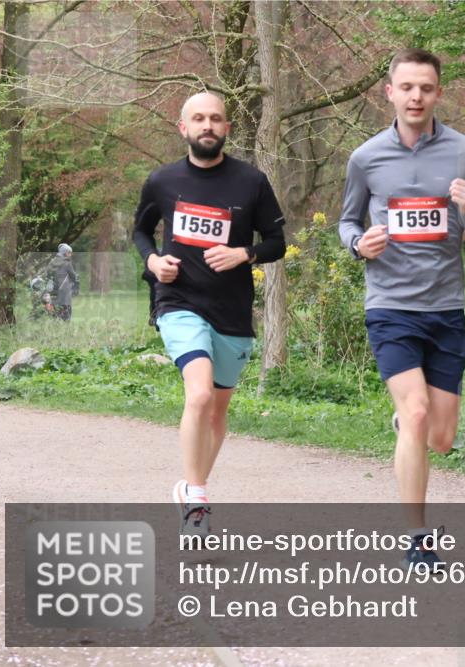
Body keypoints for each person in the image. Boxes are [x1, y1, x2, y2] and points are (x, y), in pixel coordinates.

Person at [338, 48, 465, 569]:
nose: (416, 97)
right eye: (406, 87)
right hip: (389, 305)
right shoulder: (366, 158)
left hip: (446, 307)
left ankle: (408, 425)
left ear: (438, 93)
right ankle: (418, 537)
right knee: (415, 414)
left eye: (426, 88)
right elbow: (346, 222)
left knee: (442, 437)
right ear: (389, 92)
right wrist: (358, 244)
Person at [133, 92, 286, 537]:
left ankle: (191, 486)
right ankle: (197, 501)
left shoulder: (251, 181)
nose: (207, 125)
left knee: (217, 411)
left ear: (227, 129)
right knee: (198, 395)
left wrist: (244, 253)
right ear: (183, 127)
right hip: (178, 301)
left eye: (215, 119)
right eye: (198, 118)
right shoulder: (162, 181)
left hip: (232, 312)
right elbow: (141, 231)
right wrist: (152, 262)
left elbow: (275, 242)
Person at [47, 243, 79, 321]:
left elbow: (47, 274)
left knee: (55, 308)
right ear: (64, 252)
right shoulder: (67, 263)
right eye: (69, 252)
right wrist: (76, 283)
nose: (70, 254)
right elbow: (73, 276)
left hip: (53, 289)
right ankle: (66, 324)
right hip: (64, 290)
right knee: (66, 309)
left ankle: (55, 322)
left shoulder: (52, 262)